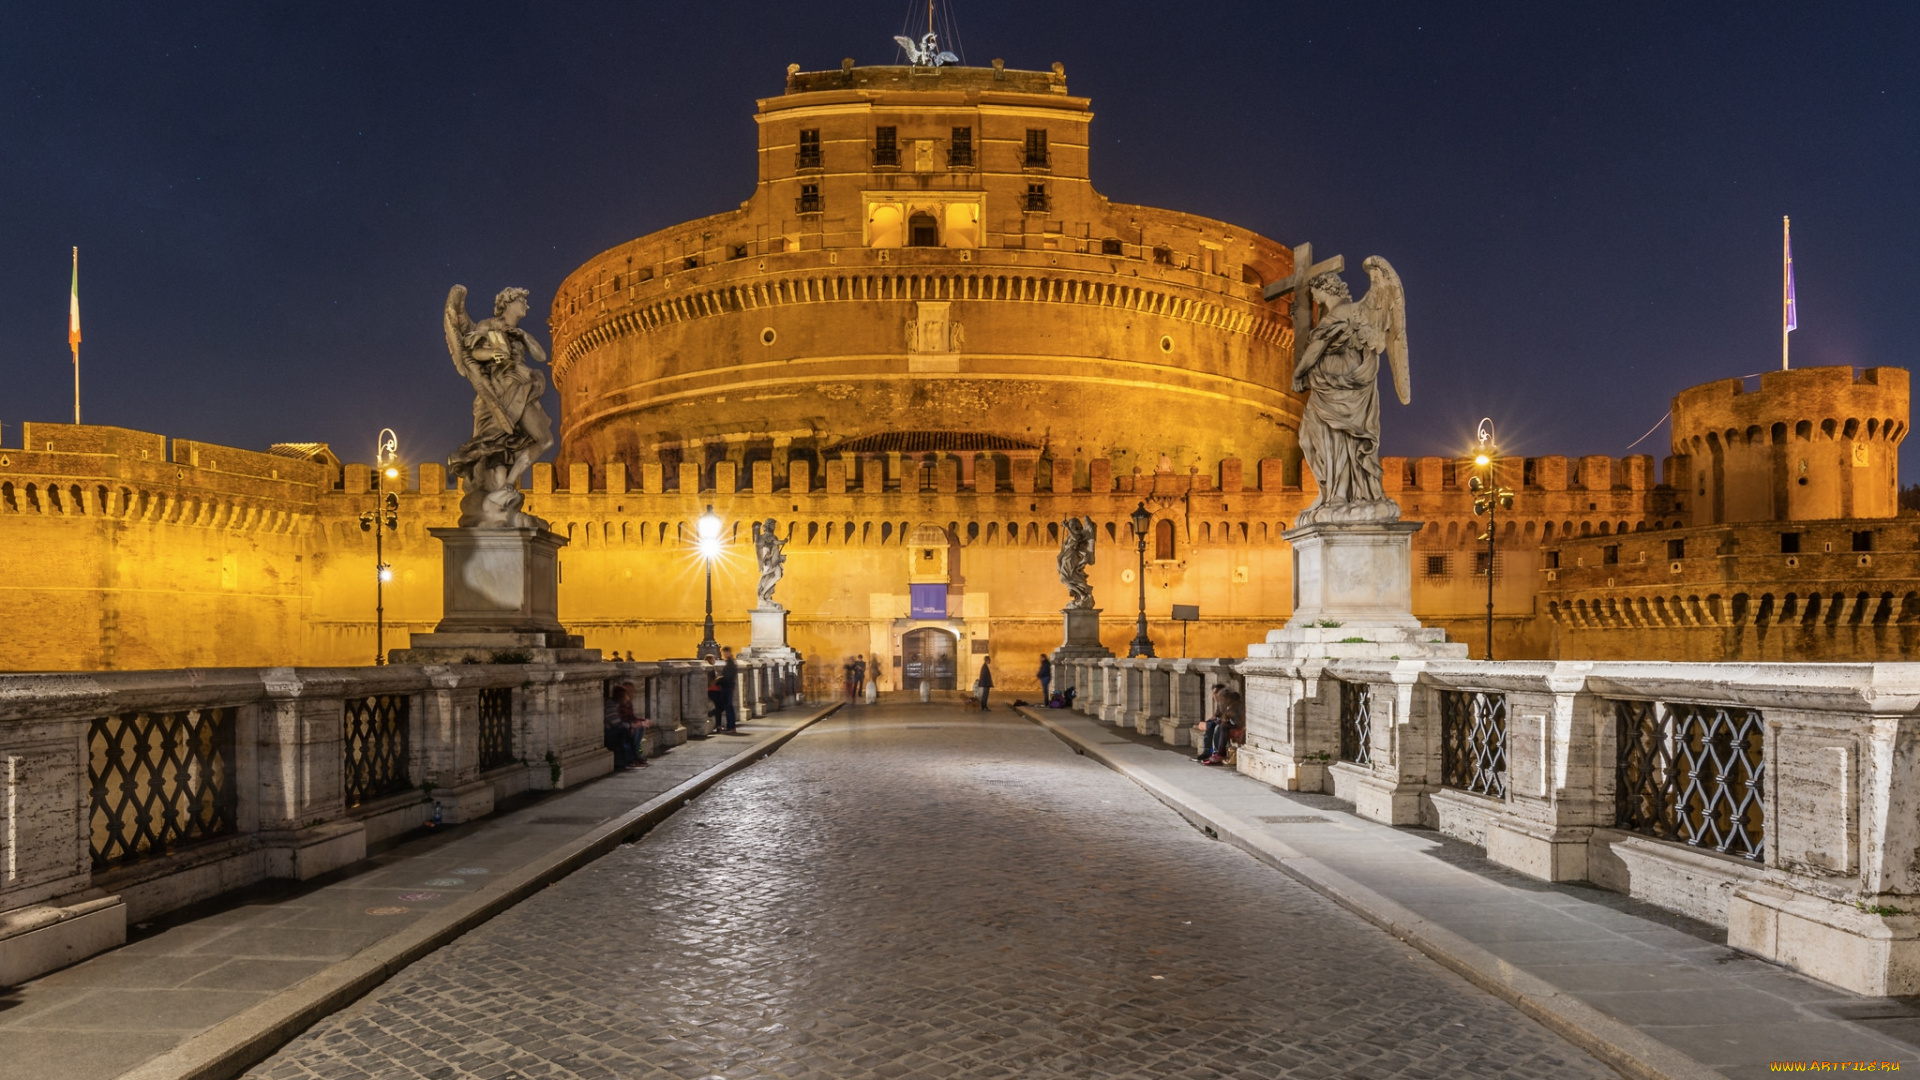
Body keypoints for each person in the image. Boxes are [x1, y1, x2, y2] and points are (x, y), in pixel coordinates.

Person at [603, 683, 647, 769]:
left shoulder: (624, 704)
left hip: (620, 727)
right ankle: (629, 759)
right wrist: (630, 726)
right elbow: (615, 722)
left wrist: (638, 723)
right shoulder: (611, 704)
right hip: (611, 731)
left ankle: (636, 755)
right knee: (627, 732)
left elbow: (630, 718)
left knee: (639, 728)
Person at [1203, 687, 1245, 766]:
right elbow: (1219, 715)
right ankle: (1212, 752)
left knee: (1220, 727)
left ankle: (1219, 753)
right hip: (1230, 724)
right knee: (1213, 726)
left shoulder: (1236, 705)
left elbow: (1236, 721)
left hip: (1237, 726)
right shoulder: (1226, 705)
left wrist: (1223, 719)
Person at [717, 646, 741, 733]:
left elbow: (727, 677)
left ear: (728, 652)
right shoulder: (731, 663)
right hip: (728, 686)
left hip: (727, 687)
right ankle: (730, 726)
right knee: (728, 707)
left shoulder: (730, 664)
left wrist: (717, 680)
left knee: (728, 707)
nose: (723, 654)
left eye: (724, 652)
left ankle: (731, 727)